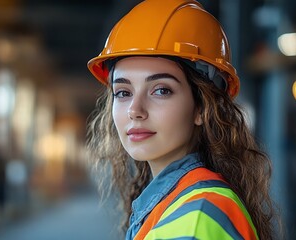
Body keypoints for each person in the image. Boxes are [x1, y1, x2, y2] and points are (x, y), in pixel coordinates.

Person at [87, 0, 277, 239]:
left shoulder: (196, 217)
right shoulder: (179, 203)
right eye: (123, 93)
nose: (135, 110)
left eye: (161, 90)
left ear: (202, 108)